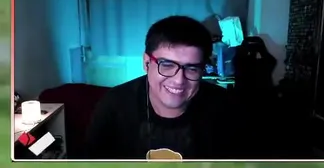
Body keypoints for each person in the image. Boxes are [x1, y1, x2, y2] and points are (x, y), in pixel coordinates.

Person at [84, 15, 251, 160]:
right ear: (146, 63)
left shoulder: (227, 109)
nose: (179, 80)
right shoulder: (114, 105)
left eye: (192, 68)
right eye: (167, 65)